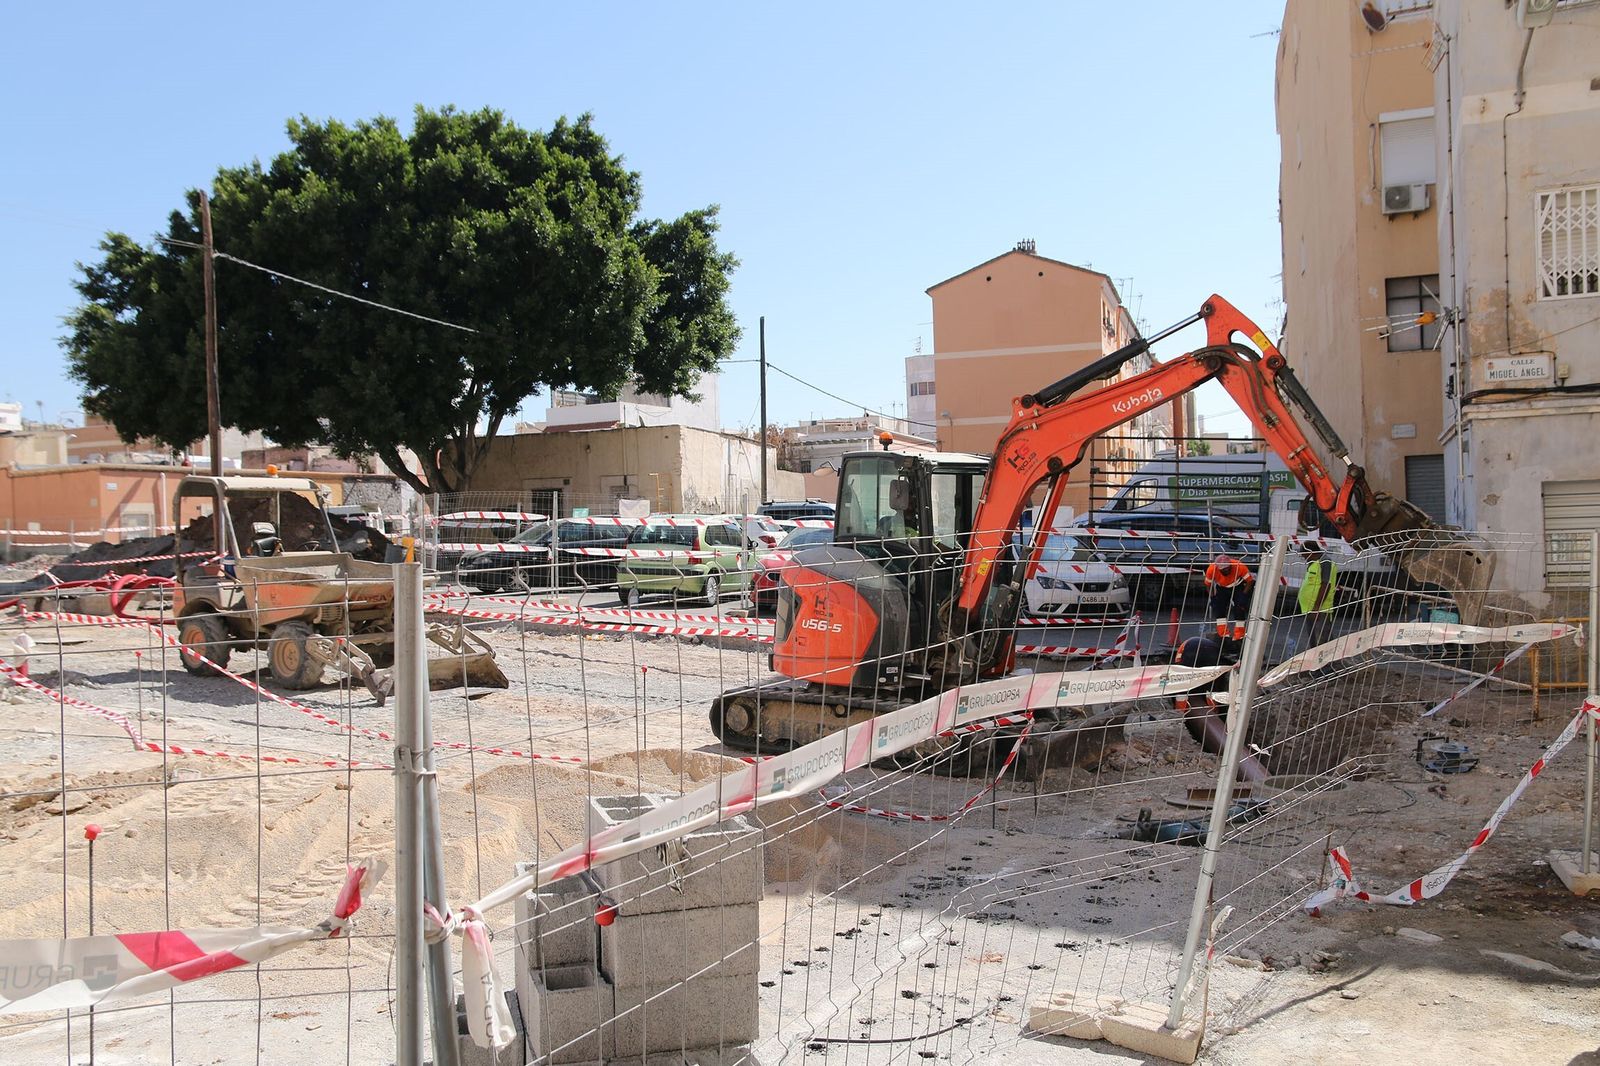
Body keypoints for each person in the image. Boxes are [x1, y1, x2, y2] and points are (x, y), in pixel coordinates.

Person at [1297, 541, 1338, 648]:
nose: (1304, 558)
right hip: (1310, 608)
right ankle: (1326, 661)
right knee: (1317, 639)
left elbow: (1326, 585)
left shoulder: (1325, 562)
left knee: (1321, 641)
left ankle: (1324, 663)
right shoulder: (1315, 562)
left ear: (1311, 552)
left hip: (1320, 609)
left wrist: (1317, 607)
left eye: (1305, 556)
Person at [1203, 553, 1254, 641]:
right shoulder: (1212, 569)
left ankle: (1239, 635)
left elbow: (1249, 581)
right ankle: (1223, 635)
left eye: (1228, 568)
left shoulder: (1239, 566)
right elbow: (1208, 584)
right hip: (1222, 587)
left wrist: (1244, 595)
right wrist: (1213, 597)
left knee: (1239, 609)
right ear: (1218, 568)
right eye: (1223, 569)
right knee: (1219, 609)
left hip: (1238, 585)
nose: (1226, 570)